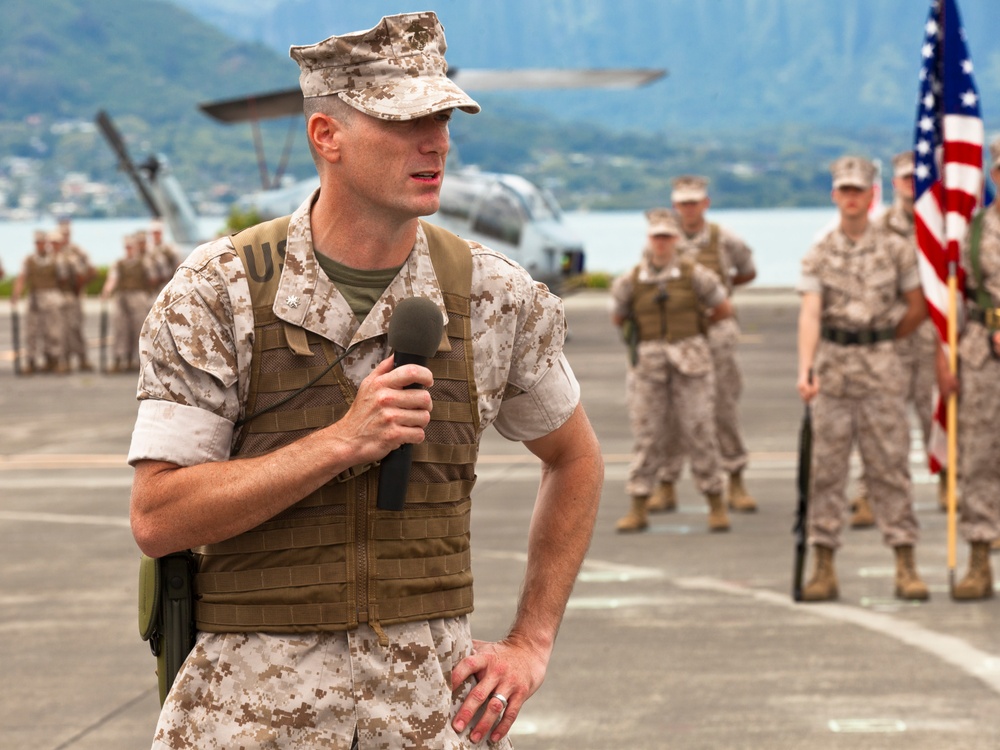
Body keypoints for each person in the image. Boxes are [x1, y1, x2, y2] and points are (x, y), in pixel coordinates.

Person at [127, 12, 603, 749]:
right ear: (327, 136)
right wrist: (340, 442)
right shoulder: (217, 294)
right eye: (406, 120)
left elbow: (575, 459)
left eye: (442, 117)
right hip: (247, 717)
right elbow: (158, 516)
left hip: (426, 714)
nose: (436, 141)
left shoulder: (494, 296)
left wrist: (530, 641)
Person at [796, 155, 929, 602]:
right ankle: (823, 566)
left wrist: (885, 338)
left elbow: (917, 304)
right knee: (826, 473)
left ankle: (905, 563)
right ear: (835, 195)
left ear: (873, 195)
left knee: (890, 468)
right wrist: (806, 367)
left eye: (859, 191)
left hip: (880, 369)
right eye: (844, 190)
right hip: (833, 370)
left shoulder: (896, 249)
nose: (851, 198)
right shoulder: (819, 252)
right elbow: (811, 312)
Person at [611, 209, 732, 533]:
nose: (661, 243)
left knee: (699, 429)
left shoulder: (696, 275)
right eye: (656, 237)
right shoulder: (633, 279)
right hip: (648, 365)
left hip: (691, 361)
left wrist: (695, 331)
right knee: (648, 434)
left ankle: (715, 501)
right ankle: (639, 503)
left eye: (667, 236)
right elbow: (619, 315)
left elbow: (723, 308)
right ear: (649, 240)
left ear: (675, 239)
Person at [653, 175, 758, 514]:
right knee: (671, 411)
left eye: (694, 201)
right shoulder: (662, 240)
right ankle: (667, 482)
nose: (689, 208)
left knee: (723, 406)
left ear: (706, 203)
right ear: (675, 205)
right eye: (683, 202)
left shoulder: (725, 239)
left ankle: (736, 478)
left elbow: (747, 271)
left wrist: (720, 294)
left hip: (716, 333)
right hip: (678, 334)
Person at [850, 151, 942, 527]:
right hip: (891, 337)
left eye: (916, 178)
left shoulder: (940, 224)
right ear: (894, 183)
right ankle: (871, 492)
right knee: (881, 421)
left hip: (933, 336)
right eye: (905, 178)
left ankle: (950, 482)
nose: (911, 184)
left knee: (937, 416)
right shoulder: (878, 229)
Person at [936, 136, 1000, 599]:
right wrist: (945, 352)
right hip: (981, 354)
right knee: (979, 458)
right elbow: (953, 296)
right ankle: (979, 560)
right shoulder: (973, 229)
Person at [12, 230, 70, 374]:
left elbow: (64, 279)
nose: (40, 245)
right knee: (32, 330)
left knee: (53, 330)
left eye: (42, 242)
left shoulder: (57, 259)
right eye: (37, 243)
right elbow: (22, 277)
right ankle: (31, 360)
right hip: (34, 297)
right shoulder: (29, 260)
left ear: (47, 244)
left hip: (51, 295)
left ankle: (54, 359)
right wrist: (16, 293)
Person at [101, 232, 157, 373]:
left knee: (139, 329)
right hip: (122, 297)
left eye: (131, 247)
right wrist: (107, 290)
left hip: (138, 297)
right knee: (121, 328)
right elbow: (113, 278)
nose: (129, 250)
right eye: (127, 247)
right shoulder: (119, 263)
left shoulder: (144, 262)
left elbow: (153, 279)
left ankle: (137, 360)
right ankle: (119, 359)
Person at [57, 217, 97, 372]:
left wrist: (79, 286)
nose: (64, 236)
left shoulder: (77, 251)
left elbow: (92, 271)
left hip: (74, 296)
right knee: (61, 330)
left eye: (66, 233)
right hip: (58, 297)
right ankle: (64, 360)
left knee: (75, 327)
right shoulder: (54, 251)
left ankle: (82, 358)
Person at [147, 219, 179, 291]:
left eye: (157, 233)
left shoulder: (169, 248)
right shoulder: (148, 249)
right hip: (152, 287)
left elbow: (177, 265)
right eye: (154, 233)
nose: (156, 235)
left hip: (167, 283)